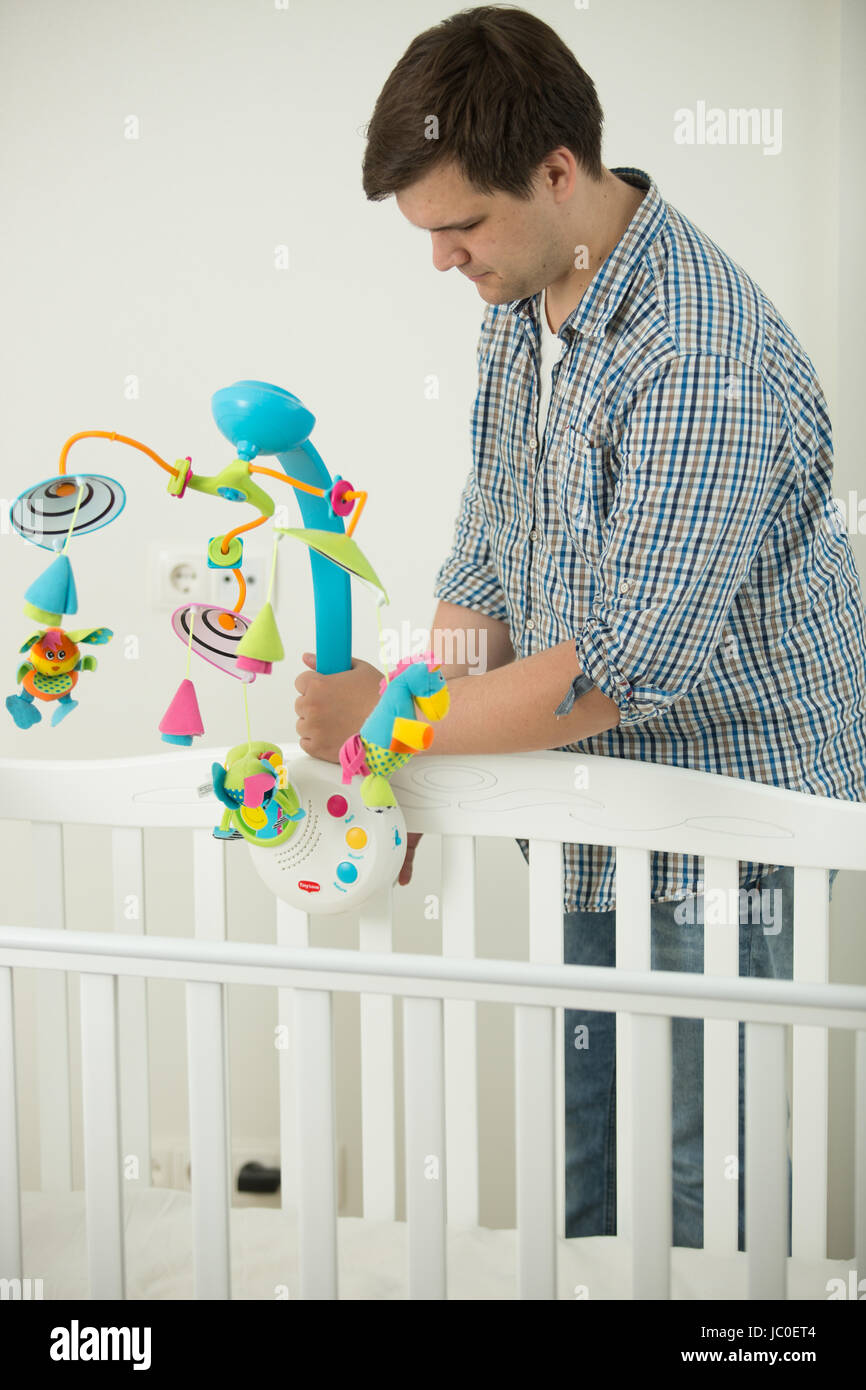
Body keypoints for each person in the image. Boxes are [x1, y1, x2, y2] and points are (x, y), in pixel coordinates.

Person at [293, 5, 865, 1249]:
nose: (441, 260)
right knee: (586, 1149)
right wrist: (397, 758)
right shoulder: (523, 296)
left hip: (732, 813)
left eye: (459, 226)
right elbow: (489, 551)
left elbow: (611, 673)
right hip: (589, 814)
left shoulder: (700, 357)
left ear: (558, 171)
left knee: (697, 1173)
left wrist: (382, 726)